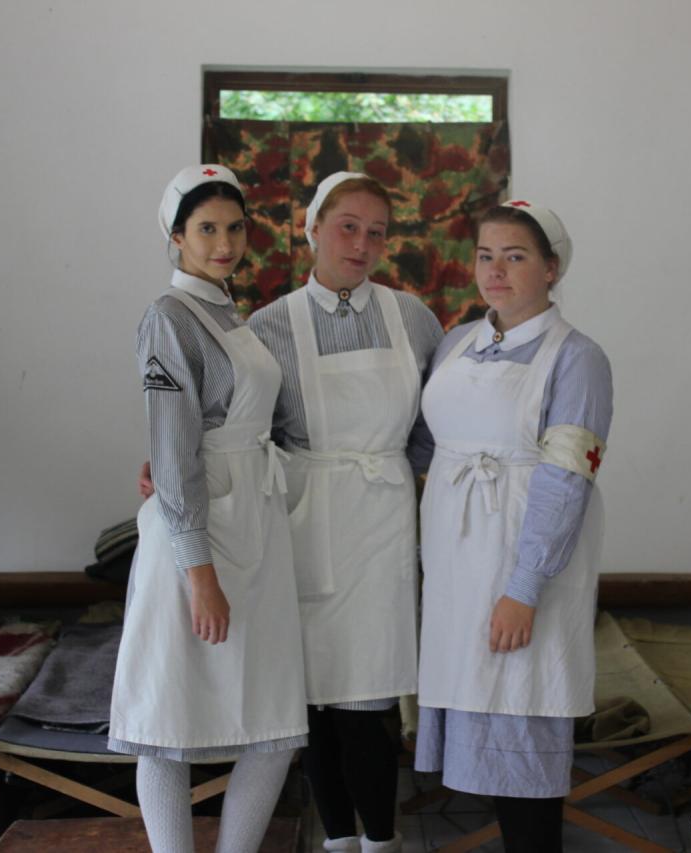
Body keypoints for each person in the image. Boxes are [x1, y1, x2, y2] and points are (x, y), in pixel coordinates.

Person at [108, 165, 307, 853]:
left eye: (235, 228)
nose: (224, 244)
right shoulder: (169, 317)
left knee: (273, 720)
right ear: (176, 236)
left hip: (257, 523)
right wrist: (199, 573)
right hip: (196, 536)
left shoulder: (230, 312)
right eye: (206, 229)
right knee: (169, 719)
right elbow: (173, 452)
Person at [248, 172, 443, 853]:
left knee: (369, 699)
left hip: (382, 518)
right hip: (304, 520)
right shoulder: (268, 326)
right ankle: (337, 840)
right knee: (315, 703)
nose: (361, 244)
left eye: (376, 232)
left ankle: (381, 841)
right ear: (313, 228)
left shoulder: (413, 318)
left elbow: (433, 426)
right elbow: (244, 429)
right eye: (347, 227)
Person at [414, 201, 612, 853]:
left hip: (524, 564)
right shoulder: (455, 343)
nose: (495, 271)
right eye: (486, 256)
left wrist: (524, 587)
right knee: (480, 721)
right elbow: (418, 445)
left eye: (515, 256)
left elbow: (567, 480)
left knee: (523, 728)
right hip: (456, 565)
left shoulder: (578, 359)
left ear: (551, 269)